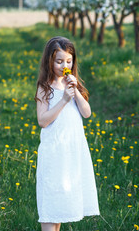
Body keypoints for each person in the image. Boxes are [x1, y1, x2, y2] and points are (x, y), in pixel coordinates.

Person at [34, 36, 100, 231]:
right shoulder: (44, 88)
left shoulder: (73, 84)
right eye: (59, 61)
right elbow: (43, 121)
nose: (65, 65)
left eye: (69, 61)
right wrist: (63, 100)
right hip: (54, 150)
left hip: (72, 151)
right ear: (50, 61)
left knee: (62, 203)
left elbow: (87, 113)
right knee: (51, 201)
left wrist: (75, 91)